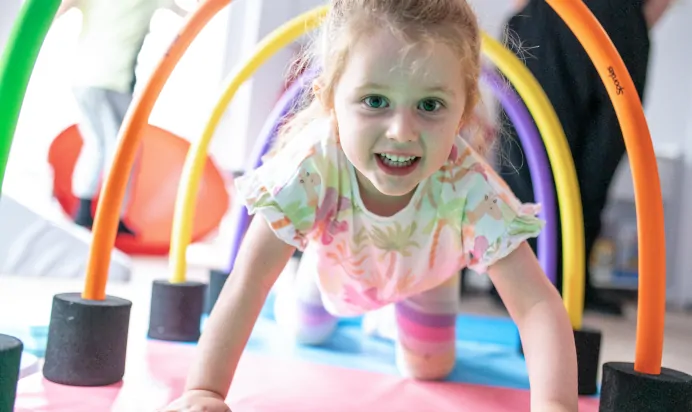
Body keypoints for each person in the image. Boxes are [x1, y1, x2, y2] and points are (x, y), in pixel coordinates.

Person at [161, 1, 578, 411]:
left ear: (464, 111)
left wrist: (555, 404)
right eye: (375, 101)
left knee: (429, 368)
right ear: (330, 99)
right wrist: (205, 391)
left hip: (424, 274)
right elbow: (249, 280)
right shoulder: (312, 167)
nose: (401, 132)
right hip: (337, 264)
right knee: (305, 332)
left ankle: (391, 312)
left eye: (430, 106)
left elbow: (537, 304)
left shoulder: (469, 187)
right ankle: (310, 280)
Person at [494, 0, 673, 315]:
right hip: (550, 16)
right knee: (533, 163)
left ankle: (574, 283)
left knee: (597, 168)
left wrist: (632, 23)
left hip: (619, 23)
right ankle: (524, 279)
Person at [55, 0, 190, 235]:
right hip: (113, 81)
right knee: (124, 151)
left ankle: (84, 211)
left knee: (98, 144)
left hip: (83, 79)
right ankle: (110, 217)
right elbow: (189, 13)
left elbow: (58, 10)